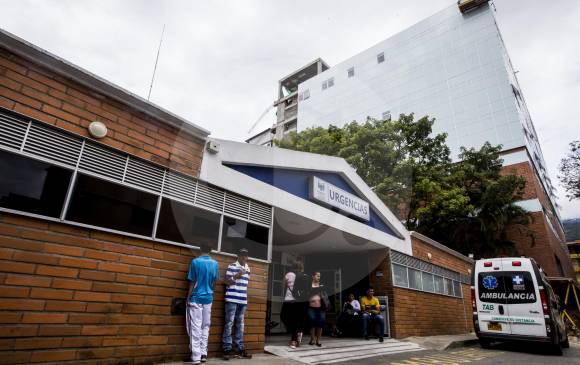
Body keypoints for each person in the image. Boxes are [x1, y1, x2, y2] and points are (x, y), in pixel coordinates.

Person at [186, 242, 220, 365]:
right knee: (205, 326)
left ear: (200, 249)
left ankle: (196, 357)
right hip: (208, 298)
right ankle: (204, 353)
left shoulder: (195, 262)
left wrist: (188, 297)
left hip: (196, 297)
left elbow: (192, 281)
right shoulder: (215, 264)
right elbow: (214, 283)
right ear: (210, 250)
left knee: (195, 326)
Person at [222, 248, 252, 360]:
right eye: (242, 255)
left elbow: (245, 285)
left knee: (240, 324)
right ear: (238, 256)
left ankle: (239, 348)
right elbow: (226, 282)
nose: (244, 257)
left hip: (242, 300)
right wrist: (236, 276)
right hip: (231, 299)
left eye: (246, 255)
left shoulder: (248, 269)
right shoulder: (232, 266)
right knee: (229, 323)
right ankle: (226, 349)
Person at [281, 259, 308, 349]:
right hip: (299, 301)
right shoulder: (303, 275)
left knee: (284, 316)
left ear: (293, 266)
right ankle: (298, 333)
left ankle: (293, 340)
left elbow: (282, 286)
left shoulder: (289, 274)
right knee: (295, 320)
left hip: (289, 299)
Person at [307, 271, 329, 347]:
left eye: (319, 276)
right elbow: (307, 293)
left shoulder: (322, 285)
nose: (319, 277)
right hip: (311, 307)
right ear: (313, 276)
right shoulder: (309, 285)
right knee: (312, 324)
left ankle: (318, 340)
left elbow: (325, 295)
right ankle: (312, 339)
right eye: (317, 275)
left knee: (320, 324)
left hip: (321, 308)